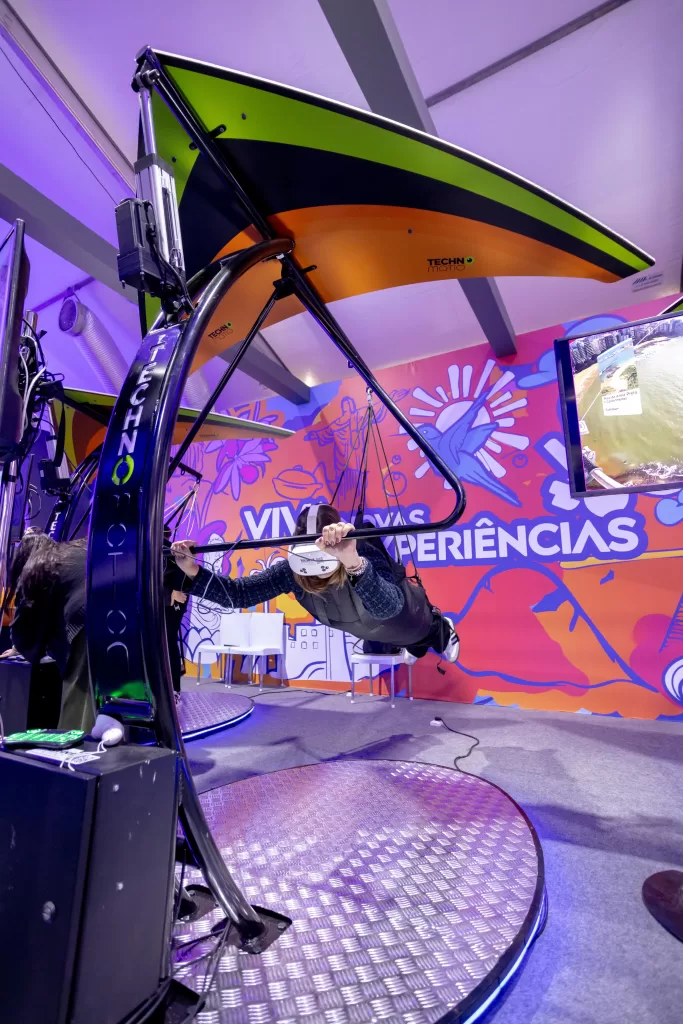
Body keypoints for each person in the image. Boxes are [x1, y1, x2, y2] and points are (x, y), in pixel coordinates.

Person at [171, 504, 459, 666]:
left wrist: (352, 562)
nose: (313, 564)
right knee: (404, 640)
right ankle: (416, 645)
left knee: (418, 632)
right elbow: (239, 594)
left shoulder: (361, 554)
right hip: (382, 633)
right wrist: (192, 570)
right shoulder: (291, 572)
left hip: (410, 617)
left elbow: (390, 608)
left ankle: (441, 630)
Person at [9, 533, 93, 731]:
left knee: (79, 702)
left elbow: (25, 621)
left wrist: (20, 647)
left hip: (88, 618)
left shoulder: (39, 563)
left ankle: (74, 745)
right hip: (129, 613)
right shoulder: (74, 550)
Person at [163, 528, 189, 703]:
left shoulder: (167, 548)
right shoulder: (144, 547)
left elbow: (182, 568)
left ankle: (173, 689)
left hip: (172, 602)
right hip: (160, 600)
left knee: (168, 640)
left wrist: (175, 591)